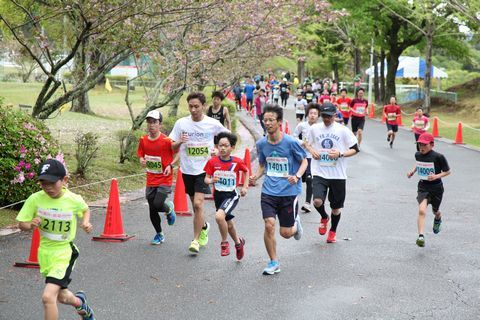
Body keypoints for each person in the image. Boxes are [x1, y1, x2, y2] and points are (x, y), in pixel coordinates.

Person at [16, 159, 95, 320]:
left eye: (52, 183)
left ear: (64, 180)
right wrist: (29, 225)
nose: (48, 187)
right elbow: (21, 224)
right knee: (62, 296)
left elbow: (85, 209)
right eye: (43, 183)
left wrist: (85, 222)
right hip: (45, 254)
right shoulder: (35, 199)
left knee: (48, 297)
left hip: (64, 253)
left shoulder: (73, 199)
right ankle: (81, 304)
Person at [250, 104, 308, 275]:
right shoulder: (262, 144)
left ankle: (296, 225)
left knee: (286, 233)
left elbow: (304, 161)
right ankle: (273, 262)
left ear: (279, 122)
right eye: (265, 120)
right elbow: (262, 164)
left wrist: (296, 176)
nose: (267, 123)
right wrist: (256, 176)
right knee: (269, 225)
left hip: (289, 192)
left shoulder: (290, 142)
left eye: (271, 120)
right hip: (269, 191)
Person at [170, 92, 229, 254]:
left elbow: (228, 138)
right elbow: (172, 146)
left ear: (203, 106)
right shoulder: (181, 123)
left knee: (198, 204)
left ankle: (195, 240)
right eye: (191, 106)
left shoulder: (212, 123)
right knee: (196, 207)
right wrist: (181, 141)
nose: (194, 109)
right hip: (188, 170)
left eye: (197, 106)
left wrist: (219, 150)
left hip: (205, 170)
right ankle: (204, 226)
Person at [306, 103, 359, 243]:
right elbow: (306, 143)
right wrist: (312, 151)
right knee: (317, 201)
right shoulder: (314, 129)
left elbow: (355, 149)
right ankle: (324, 216)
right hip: (319, 172)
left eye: (329, 116)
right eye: (324, 116)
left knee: (336, 209)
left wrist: (340, 154)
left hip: (338, 175)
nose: (326, 119)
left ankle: (333, 231)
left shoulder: (342, 130)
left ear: (335, 115)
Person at [204, 132, 249, 260]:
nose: (222, 148)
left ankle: (224, 243)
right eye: (220, 145)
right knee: (228, 224)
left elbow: (246, 171)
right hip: (218, 197)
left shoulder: (237, 162)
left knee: (219, 217)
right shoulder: (212, 162)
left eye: (226, 145)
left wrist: (245, 187)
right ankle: (238, 243)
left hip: (231, 196)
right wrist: (211, 181)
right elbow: (206, 179)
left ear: (232, 147)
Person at [137, 110, 177, 245]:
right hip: (151, 179)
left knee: (158, 204)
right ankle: (159, 234)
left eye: (154, 122)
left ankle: (169, 209)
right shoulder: (143, 140)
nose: (151, 125)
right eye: (149, 122)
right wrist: (142, 160)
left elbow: (178, 154)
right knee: (152, 208)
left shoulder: (167, 141)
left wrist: (170, 165)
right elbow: (141, 154)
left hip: (165, 179)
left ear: (160, 124)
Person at [407, 132, 451, 247]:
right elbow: (419, 164)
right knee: (422, 210)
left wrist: (436, 176)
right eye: (420, 144)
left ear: (432, 145)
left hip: (436, 188)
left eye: (424, 145)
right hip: (423, 187)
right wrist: (412, 171)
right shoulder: (417, 154)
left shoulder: (438, 157)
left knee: (435, 211)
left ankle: (438, 218)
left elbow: (448, 171)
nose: (421, 147)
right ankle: (421, 236)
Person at [293, 103, 321, 213]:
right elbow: (294, 136)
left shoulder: (320, 127)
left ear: (318, 116)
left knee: (310, 179)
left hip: (312, 157)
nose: (313, 115)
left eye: (315, 114)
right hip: (300, 155)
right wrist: (302, 143)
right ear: (307, 114)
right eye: (311, 113)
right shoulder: (301, 125)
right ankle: (292, 200)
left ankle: (307, 203)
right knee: (298, 178)